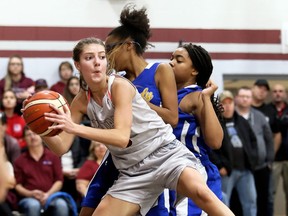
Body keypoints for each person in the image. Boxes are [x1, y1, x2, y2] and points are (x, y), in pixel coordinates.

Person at [34, 37, 234, 216]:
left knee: (202, 193)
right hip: (133, 171)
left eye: (101, 57)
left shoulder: (120, 85)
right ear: (77, 65)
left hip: (165, 154)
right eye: (89, 58)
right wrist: (39, 127)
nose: (97, 62)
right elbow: (60, 147)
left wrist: (74, 128)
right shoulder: (80, 102)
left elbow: (121, 137)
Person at [81, 4, 179, 216]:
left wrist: (138, 103)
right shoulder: (116, 81)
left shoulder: (159, 70)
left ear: (127, 45)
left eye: (108, 49)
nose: (105, 56)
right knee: (89, 207)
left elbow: (172, 117)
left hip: (151, 155)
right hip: (118, 156)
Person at [169, 43, 224, 215]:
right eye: (171, 58)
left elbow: (215, 142)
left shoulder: (195, 96)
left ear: (194, 71)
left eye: (178, 60)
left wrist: (206, 98)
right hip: (168, 170)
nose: (171, 63)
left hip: (193, 169)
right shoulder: (165, 94)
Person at [209, 90, 258, 216]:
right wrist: (220, 165)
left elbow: (253, 141)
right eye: (224, 103)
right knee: (223, 202)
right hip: (226, 171)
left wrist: (252, 158)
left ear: (234, 104)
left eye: (230, 103)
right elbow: (211, 146)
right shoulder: (215, 122)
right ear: (219, 105)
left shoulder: (241, 121)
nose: (227, 106)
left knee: (251, 202)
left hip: (245, 169)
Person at [14, 126, 69, 216]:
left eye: (35, 133)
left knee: (61, 205)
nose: (32, 137)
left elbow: (59, 181)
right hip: (29, 198)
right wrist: (31, 193)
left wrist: (47, 194)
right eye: (28, 135)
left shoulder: (53, 156)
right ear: (24, 139)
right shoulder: (19, 161)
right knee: (33, 205)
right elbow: (17, 185)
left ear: (41, 136)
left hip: (51, 196)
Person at [235, 86, 274, 216]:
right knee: (239, 201)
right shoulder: (231, 115)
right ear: (237, 98)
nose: (245, 99)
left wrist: (269, 160)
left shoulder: (259, 116)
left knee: (262, 199)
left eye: (248, 97)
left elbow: (269, 139)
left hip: (261, 167)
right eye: (242, 96)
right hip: (239, 167)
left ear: (251, 99)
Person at [268, 83, 288, 215]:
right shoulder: (267, 110)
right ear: (272, 94)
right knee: (270, 194)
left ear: (285, 94)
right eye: (275, 91)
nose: (278, 93)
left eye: (280, 91)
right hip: (272, 159)